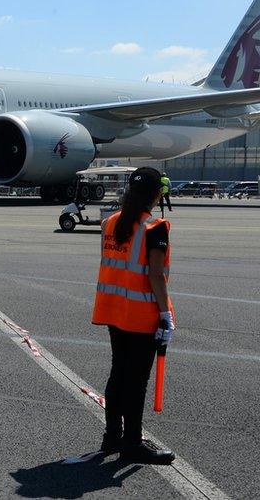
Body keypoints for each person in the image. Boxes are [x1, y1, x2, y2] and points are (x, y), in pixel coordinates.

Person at [91, 167, 176, 465]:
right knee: (136, 380)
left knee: (118, 373)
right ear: (156, 195)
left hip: (113, 310)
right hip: (141, 315)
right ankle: (132, 443)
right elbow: (155, 275)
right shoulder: (155, 228)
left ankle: (112, 435)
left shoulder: (110, 223)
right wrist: (165, 313)